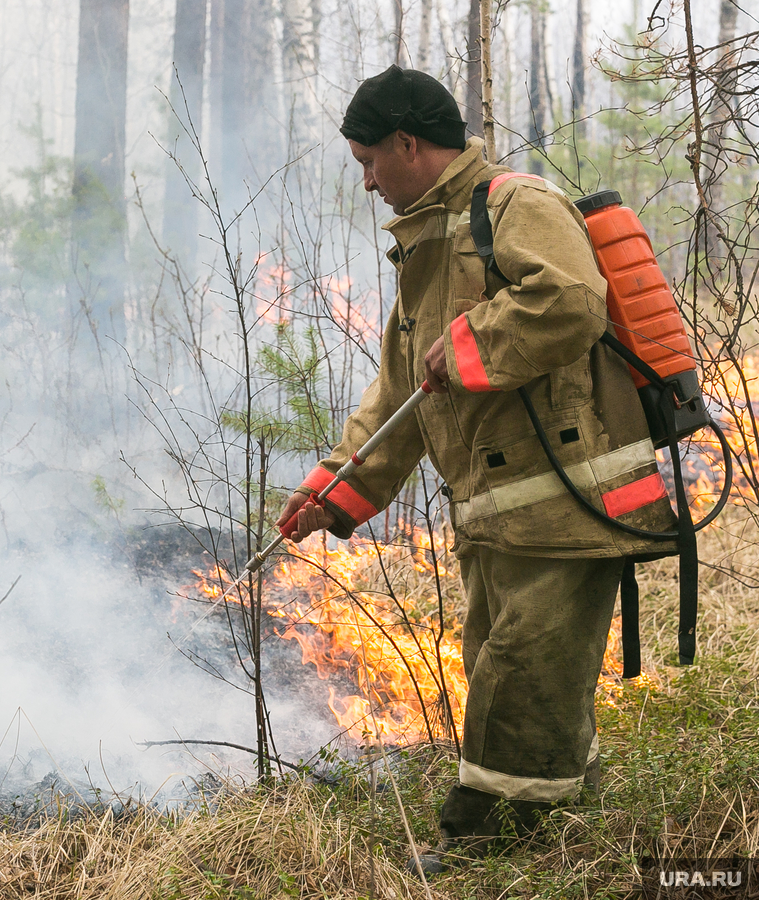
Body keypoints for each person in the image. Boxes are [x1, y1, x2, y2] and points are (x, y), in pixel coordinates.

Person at [275, 65, 677, 873]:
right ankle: (560, 830)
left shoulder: (515, 205)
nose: (365, 182)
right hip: (500, 515)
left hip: (568, 501)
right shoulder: (429, 244)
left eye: (367, 162)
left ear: (407, 143)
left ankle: (496, 848)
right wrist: (333, 487)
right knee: (513, 666)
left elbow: (570, 300)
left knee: (522, 671)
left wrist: (468, 346)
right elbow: (401, 390)